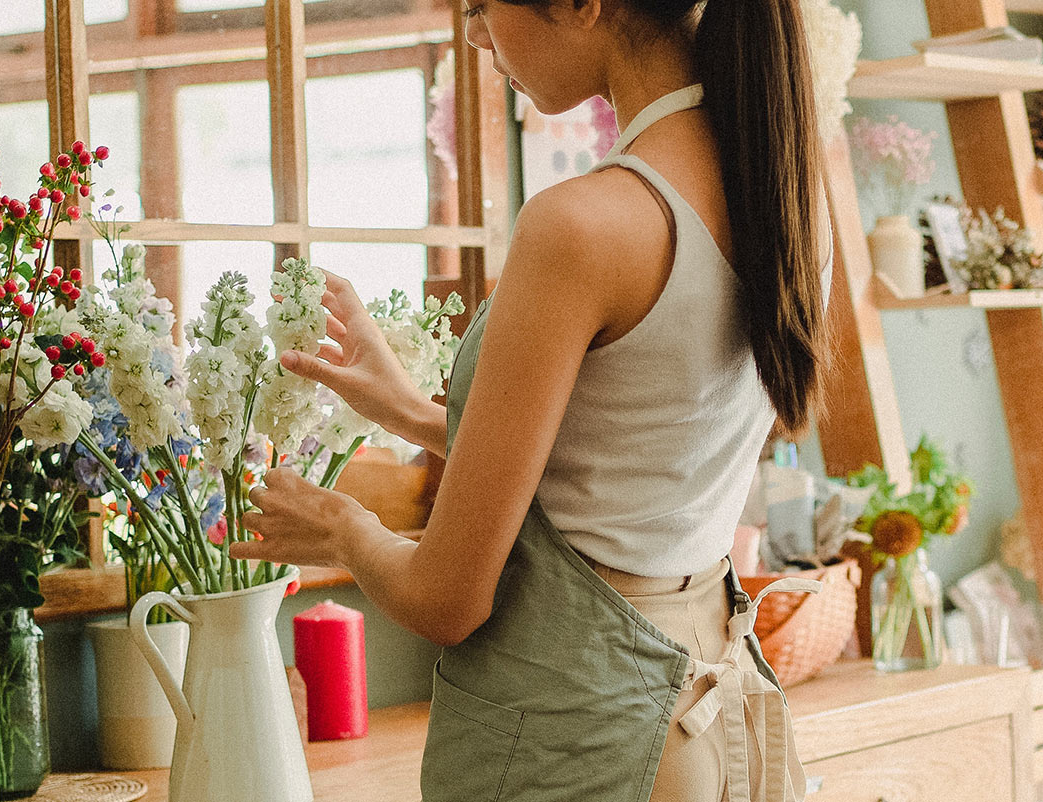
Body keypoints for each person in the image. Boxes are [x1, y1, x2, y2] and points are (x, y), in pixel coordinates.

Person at [233, 0, 831, 798]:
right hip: (703, 715)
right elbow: (627, 460)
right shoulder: (783, 196)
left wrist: (344, 527)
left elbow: (446, 600)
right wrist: (414, 411)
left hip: (579, 735)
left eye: (481, 6)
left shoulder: (584, 226)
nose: (475, 34)